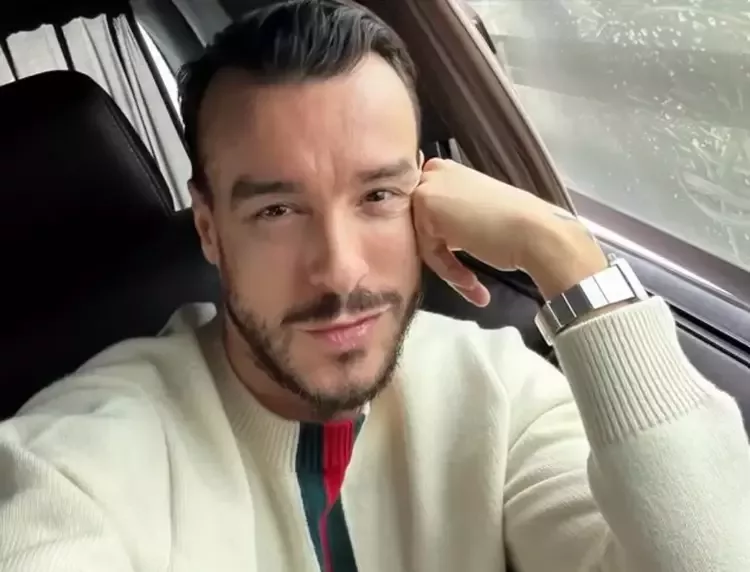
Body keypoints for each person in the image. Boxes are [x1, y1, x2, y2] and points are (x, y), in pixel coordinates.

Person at [1, 1, 748, 571]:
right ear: (209, 228)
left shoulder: (501, 394)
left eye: (379, 196)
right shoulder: (77, 461)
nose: (340, 270)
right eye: (277, 210)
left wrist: (565, 253)